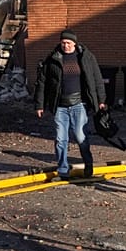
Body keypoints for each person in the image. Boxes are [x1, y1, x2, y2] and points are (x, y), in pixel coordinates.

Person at [34, 29, 106, 179]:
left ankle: (88, 165)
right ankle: (63, 170)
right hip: (60, 106)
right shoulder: (53, 58)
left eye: (68, 43)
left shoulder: (85, 57)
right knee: (61, 139)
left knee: (81, 137)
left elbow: (97, 78)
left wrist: (101, 100)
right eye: (63, 43)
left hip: (79, 105)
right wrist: (39, 105)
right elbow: (42, 83)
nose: (65, 45)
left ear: (74, 43)